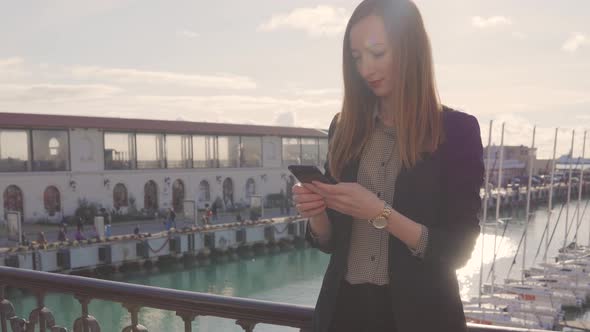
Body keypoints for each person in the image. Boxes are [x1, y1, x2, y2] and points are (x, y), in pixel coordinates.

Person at [292, 1, 484, 331]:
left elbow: (458, 249)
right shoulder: (344, 127)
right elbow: (331, 243)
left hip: (422, 318)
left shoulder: (457, 132)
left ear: (411, 48)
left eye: (377, 53)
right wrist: (317, 213)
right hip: (343, 314)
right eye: (357, 58)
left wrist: (380, 213)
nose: (366, 69)